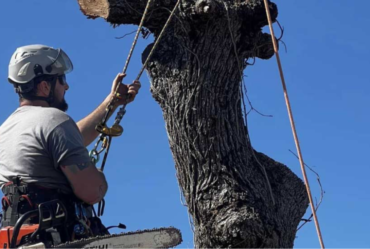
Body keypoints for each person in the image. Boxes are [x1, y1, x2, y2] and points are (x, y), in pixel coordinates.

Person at [0, 44, 141, 240]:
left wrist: (112, 102)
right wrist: (97, 178)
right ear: (44, 86)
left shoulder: (7, 129)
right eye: (61, 79)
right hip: (57, 237)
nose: (66, 86)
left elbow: (72, 138)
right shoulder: (55, 121)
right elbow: (92, 192)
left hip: (21, 236)